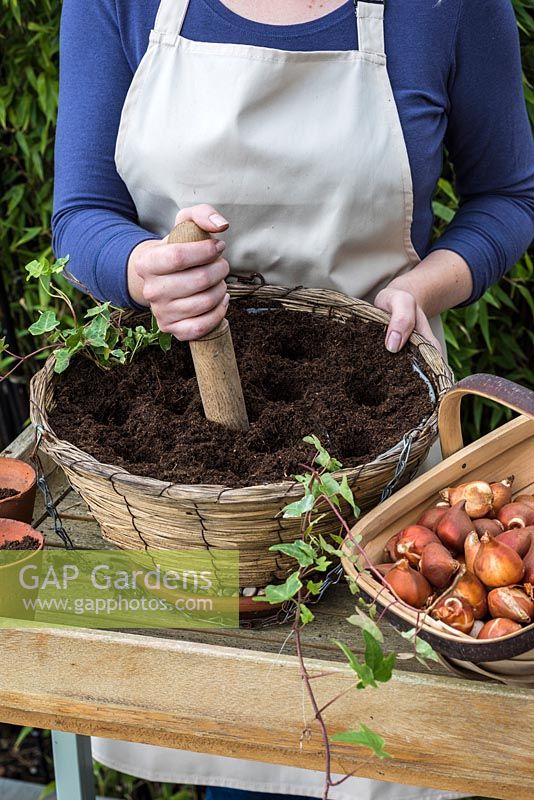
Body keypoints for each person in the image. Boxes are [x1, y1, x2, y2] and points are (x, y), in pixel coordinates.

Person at [53, 0, 534, 798]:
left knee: (386, 736)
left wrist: (423, 287)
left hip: (381, 468)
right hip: (185, 482)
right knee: (238, 727)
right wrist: (141, 270)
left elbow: (511, 198)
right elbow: (79, 216)